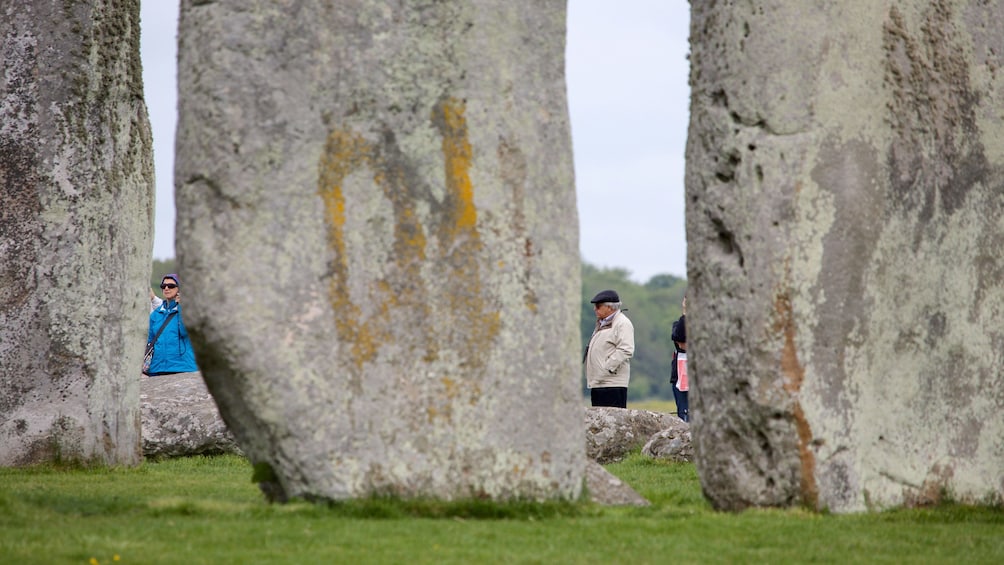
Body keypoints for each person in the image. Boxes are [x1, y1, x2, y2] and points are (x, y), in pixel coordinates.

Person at [583, 289, 635, 408]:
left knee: (615, 424)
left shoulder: (622, 323)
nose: (594, 309)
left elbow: (626, 349)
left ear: (609, 307)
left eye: (598, 306)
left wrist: (607, 368)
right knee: (599, 424)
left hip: (612, 384)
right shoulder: (602, 323)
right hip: (599, 383)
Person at [145, 273, 198, 376]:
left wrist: (181, 306)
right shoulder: (156, 315)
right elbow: (148, 341)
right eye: (163, 286)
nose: (166, 288)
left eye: (171, 286)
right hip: (157, 368)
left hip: (183, 367)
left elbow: (184, 331)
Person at [671, 295, 688, 422]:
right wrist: (686, 314)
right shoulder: (678, 324)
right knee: (684, 416)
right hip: (680, 380)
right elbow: (681, 341)